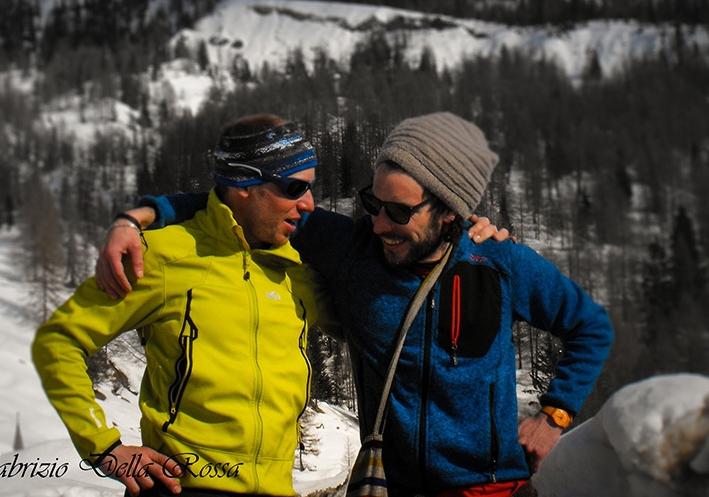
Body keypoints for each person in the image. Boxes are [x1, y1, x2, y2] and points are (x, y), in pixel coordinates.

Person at [98, 112, 614, 497]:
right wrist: (133, 220)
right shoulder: (352, 250)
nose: (379, 224)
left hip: (490, 486)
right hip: (388, 486)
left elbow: (590, 327)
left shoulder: (502, 265)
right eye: (373, 202)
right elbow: (236, 199)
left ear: (451, 213)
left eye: (397, 211)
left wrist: (555, 414)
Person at [32, 115, 341, 497]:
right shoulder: (163, 257)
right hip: (182, 487)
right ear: (245, 184)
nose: (309, 204)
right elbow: (58, 342)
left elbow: (363, 330)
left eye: (312, 187)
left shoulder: (295, 268)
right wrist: (106, 449)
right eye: (295, 188)